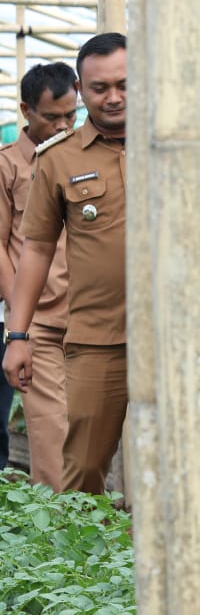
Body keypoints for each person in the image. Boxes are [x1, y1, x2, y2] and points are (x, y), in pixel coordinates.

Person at [2, 34, 129, 495]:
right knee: (63, 450)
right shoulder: (38, 162)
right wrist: (19, 329)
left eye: (67, 116)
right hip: (64, 327)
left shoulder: (167, 146)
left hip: (134, 326)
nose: (113, 97)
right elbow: (21, 248)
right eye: (100, 88)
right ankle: (70, 550)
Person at [0, 62, 76, 486]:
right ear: (27, 110)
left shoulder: (88, 155)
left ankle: (110, 536)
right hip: (41, 324)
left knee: (95, 436)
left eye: (71, 115)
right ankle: (64, 540)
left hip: (93, 319)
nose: (63, 126)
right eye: (52, 117)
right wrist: (20, 321)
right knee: (50, 438)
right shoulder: (8, 166)